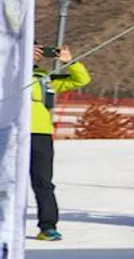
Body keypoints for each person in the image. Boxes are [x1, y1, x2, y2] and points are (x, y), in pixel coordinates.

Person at [27, 45, 89, 241]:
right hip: (10, 131)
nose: (37, 53)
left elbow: (81, 79)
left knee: (43, 182)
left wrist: (69, 61)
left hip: (40, 133)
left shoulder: (44, 76)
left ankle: (48, 226)